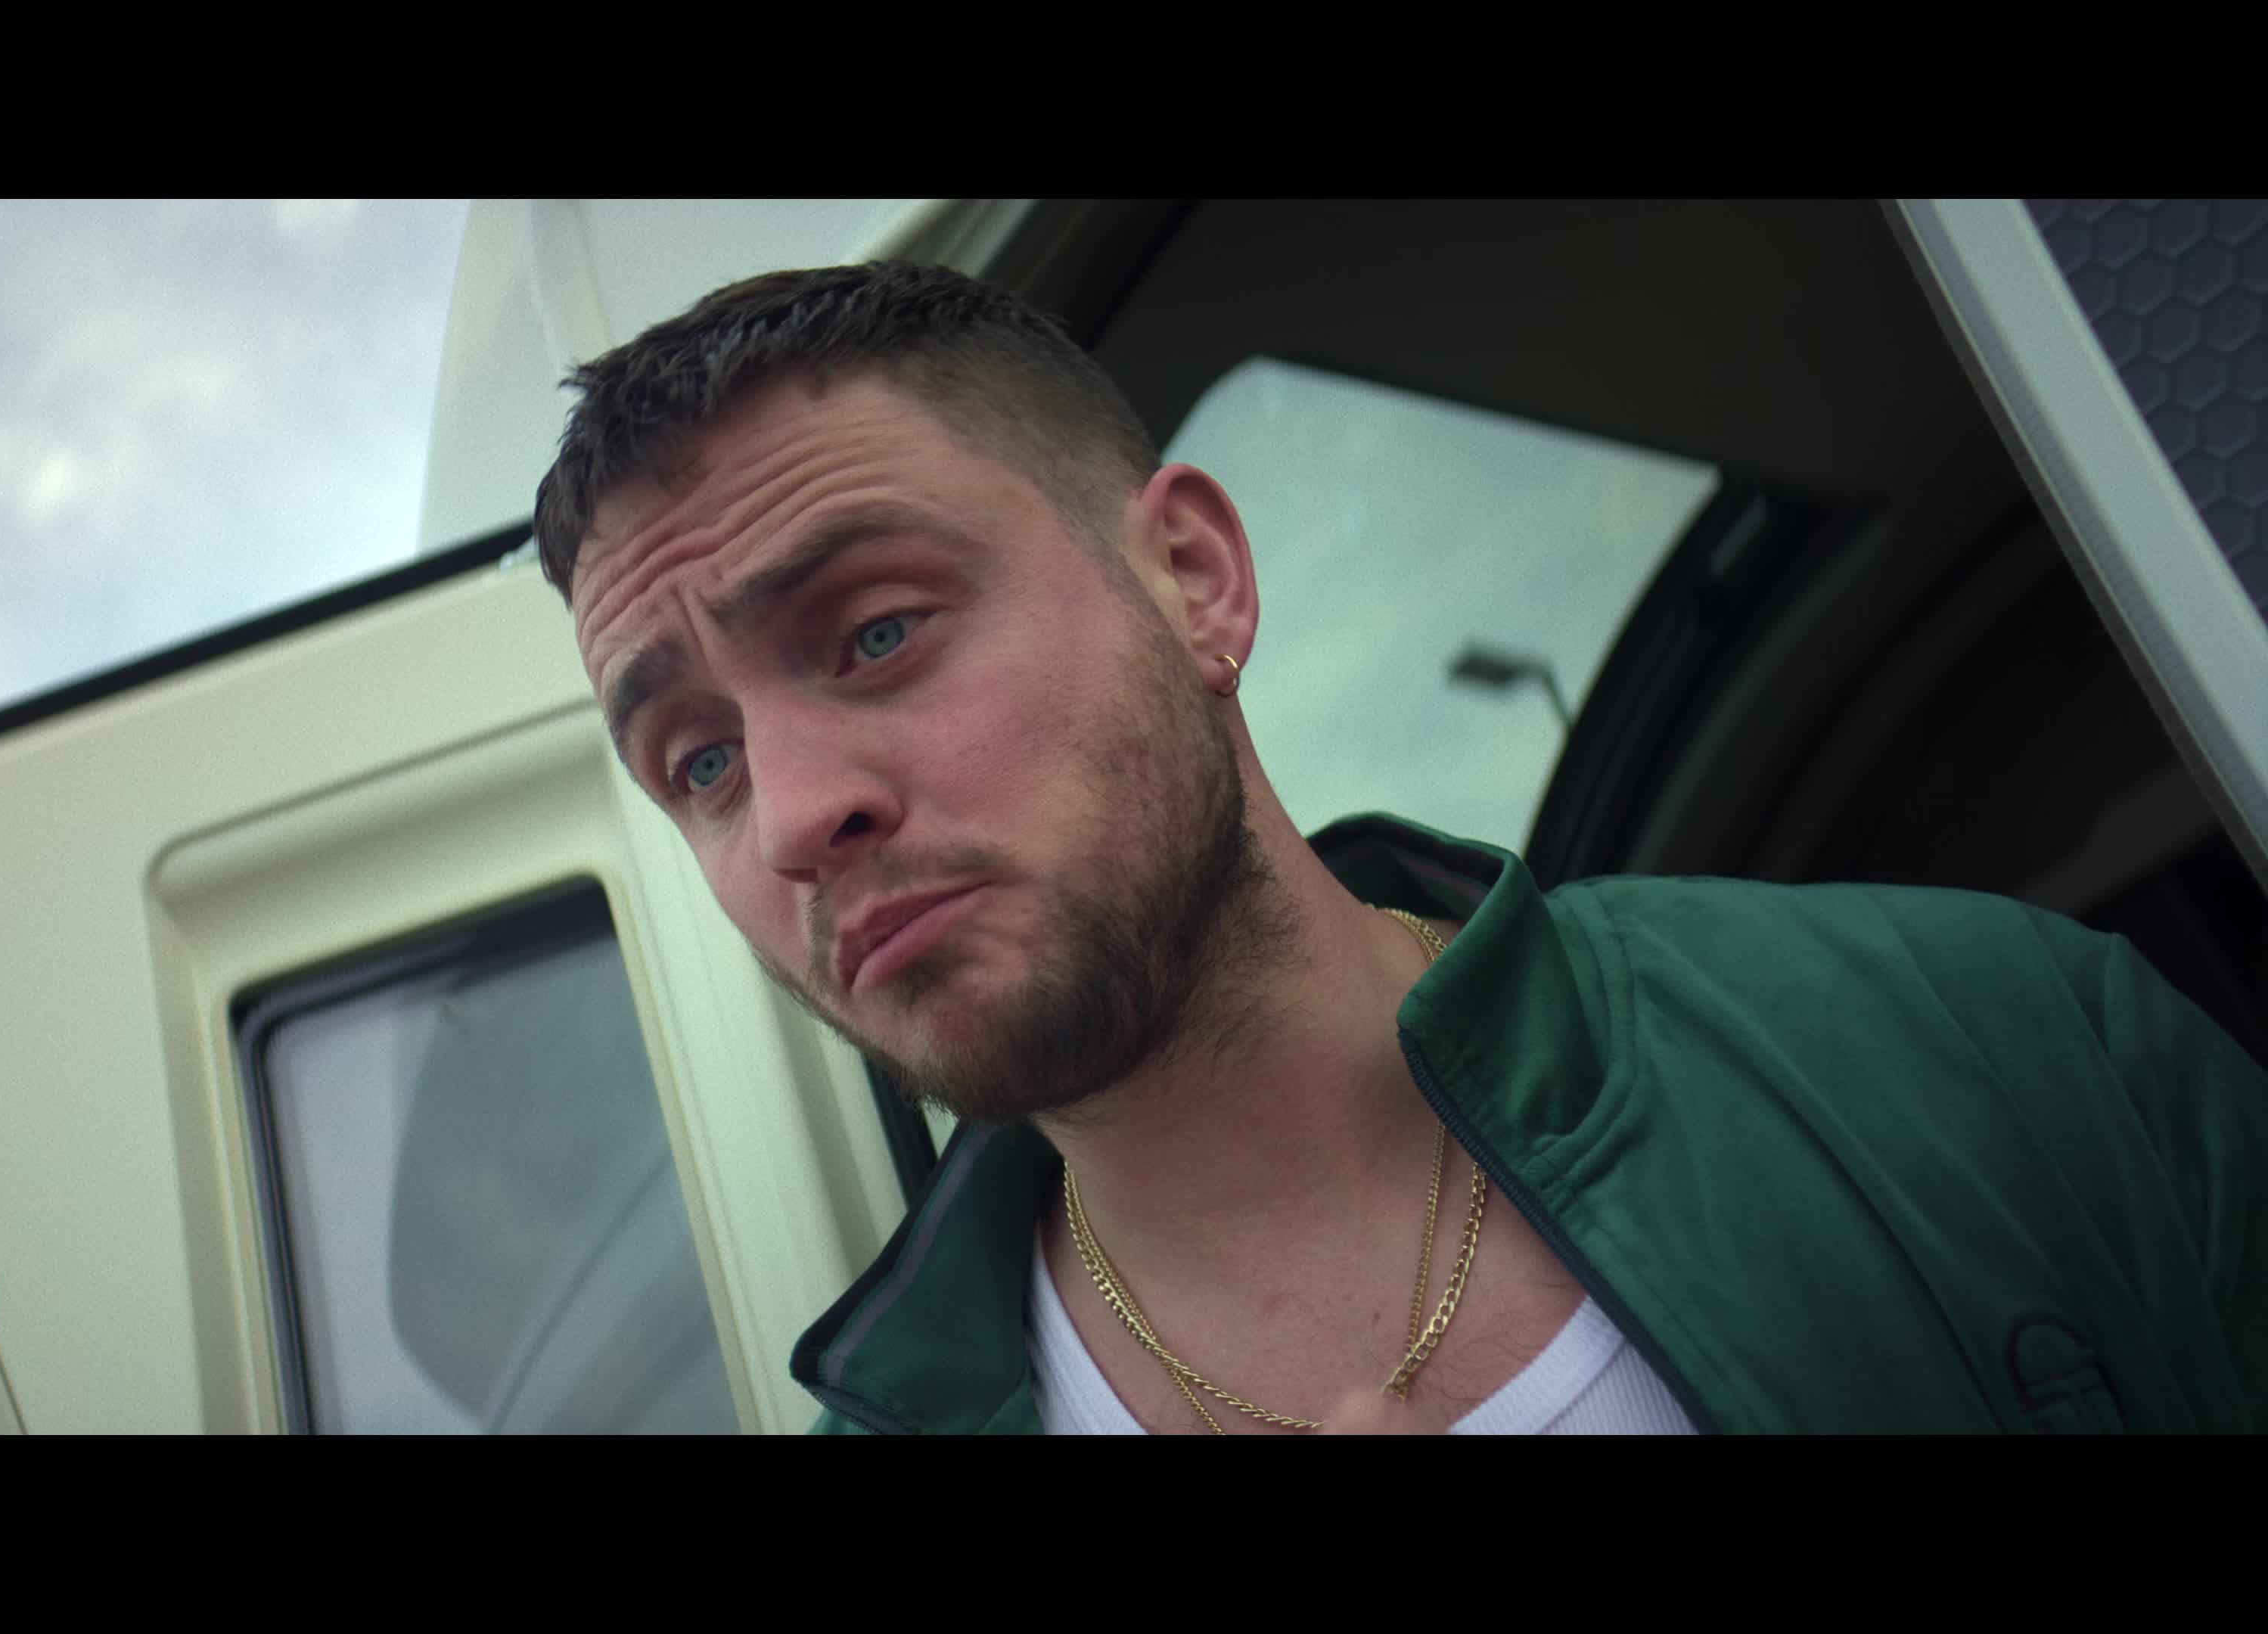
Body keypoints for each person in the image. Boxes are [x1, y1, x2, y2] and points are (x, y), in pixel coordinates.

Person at [531, 260, 2267, 1434]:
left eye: (876, 632)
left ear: (1192, 583)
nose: (793, 814)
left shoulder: (1979, 1042)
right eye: (699, 762)